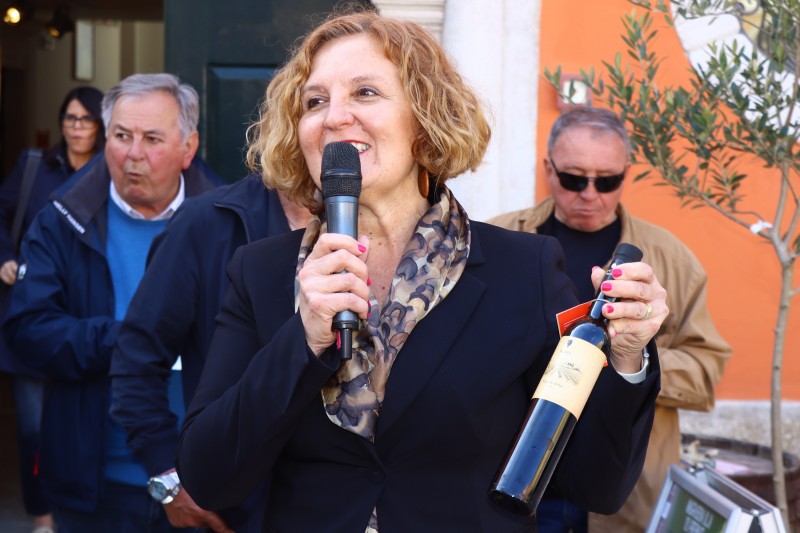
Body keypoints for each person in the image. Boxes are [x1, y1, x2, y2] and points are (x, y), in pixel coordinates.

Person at [174, 10, 668, 532]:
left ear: (426, 118)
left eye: (365, 92)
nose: (334, 117)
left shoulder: (526, 270)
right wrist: (303, 339)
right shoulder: (260, 272)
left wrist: (628, 356)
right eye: (314, 101)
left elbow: (595, 485)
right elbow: (208, 478)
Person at [488, 106, 731, 533]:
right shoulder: (501, 240)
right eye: (573, 178)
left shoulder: (671, 259)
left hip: (614, 489)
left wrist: (628, 361)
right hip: (509, 469)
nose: (589, 194)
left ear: (626, 174)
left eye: (606, 181)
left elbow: (705, 369)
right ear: (548, 169)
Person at [3, 72, 223, 533]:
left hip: (205, 479)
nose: (133, 154)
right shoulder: (62, 219)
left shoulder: (229, 223)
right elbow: (27, 331)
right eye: (122, 136)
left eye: (152, 139)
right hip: (94, 480)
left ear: (188, 148)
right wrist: (130, 338)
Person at [109, 172, 312, 532]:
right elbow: (136, 358)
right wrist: (169, 477)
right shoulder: (206, 222)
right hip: (235, 512)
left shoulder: (394, 230)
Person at [0, 85, 105, 533]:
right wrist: (5, 256)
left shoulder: (113, 171)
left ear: (100, 126)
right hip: (34, 317)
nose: (76, 128)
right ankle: (43, 518)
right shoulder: (35, 168)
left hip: (84, 320)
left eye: (86, 119)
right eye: (70, 119)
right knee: (33, 430)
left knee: (85, 423)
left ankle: (78, 513)